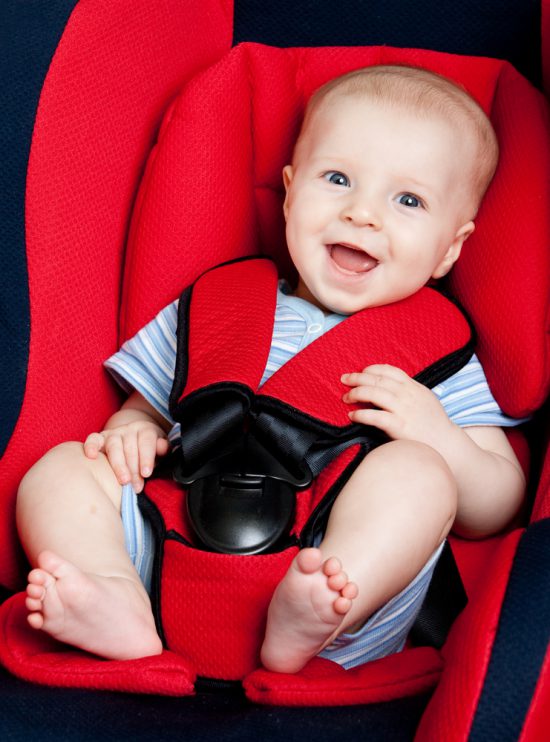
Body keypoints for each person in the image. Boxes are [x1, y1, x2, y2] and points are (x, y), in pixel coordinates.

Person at [16, 64, 526, 674]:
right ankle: (112, 592)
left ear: (450, 247)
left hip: (327, 566)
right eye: (337, 178)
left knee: (421, 475)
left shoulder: (437, 353)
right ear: (290, 189)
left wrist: (438, 435)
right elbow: (150, 402)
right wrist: (134, 428)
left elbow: (496, 502)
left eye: (408, 200)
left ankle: (317, 617)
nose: (363, 214)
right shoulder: (215, 304)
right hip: (165, 541)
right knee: (63, 467)